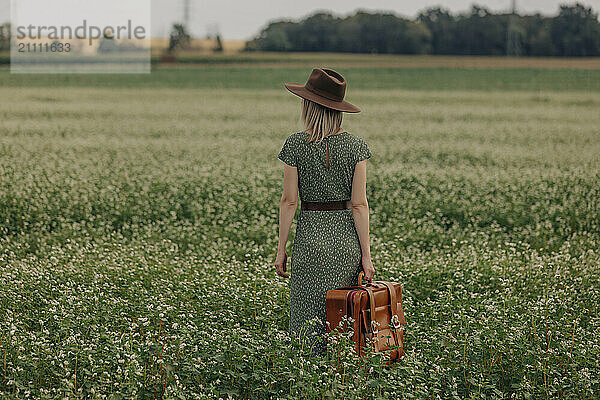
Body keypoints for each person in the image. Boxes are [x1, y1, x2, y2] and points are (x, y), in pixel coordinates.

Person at [274, 68, 375, 357]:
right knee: (344, 320)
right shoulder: (356, 147)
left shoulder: (295, 145)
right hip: (345, 245)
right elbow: (359, 205)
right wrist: (366, 256)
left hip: (309, 244)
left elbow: (289, 201)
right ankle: (340, 376)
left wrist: (281, 250)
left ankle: (307, 377)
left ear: (310, 106)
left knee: (306, 324)